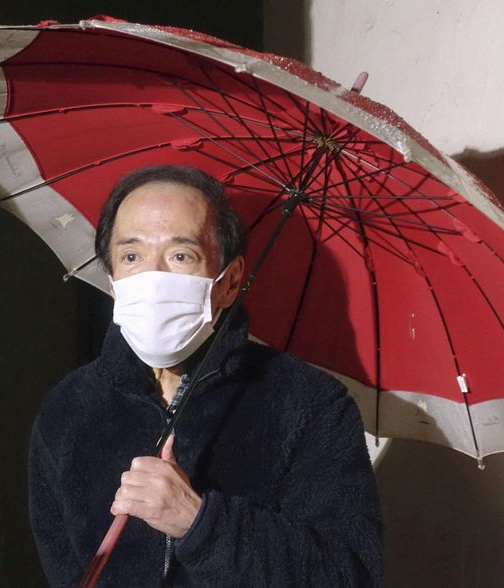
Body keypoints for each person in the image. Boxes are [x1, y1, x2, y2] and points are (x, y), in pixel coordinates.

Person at [29, 165, 383, 587]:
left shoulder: (310, 404)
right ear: (112, 284)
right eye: (131, 256)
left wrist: (198, 522)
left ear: (230, 281)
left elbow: (349, 576)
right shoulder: (68, 410)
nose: (154, 276)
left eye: (181, 256)